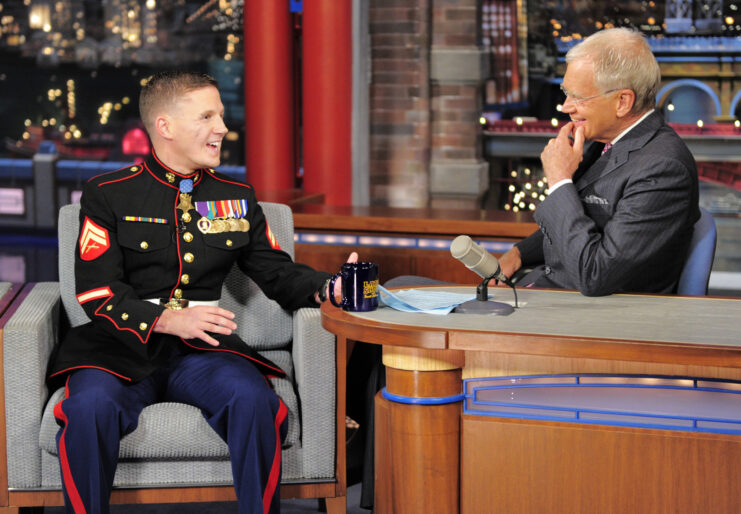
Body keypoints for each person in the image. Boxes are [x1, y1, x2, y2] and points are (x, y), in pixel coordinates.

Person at [47, 70, 356, 514]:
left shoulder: (237, 196)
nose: (222, 129)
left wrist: (329, 288)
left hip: (204, 350)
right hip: (118, 347)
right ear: (165, 126)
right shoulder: (108, 194)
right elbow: (96, 292)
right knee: (88, 408)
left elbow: (276, 273)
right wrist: (169, 319)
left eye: (222, 116)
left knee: (255, 402)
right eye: (207, 116)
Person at [498, 27, 700, 296]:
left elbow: (595, 275)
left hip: (595, 320)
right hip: (547, 292)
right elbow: (587, 221)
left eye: (578, 97)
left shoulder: (663, 169)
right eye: (565, 92)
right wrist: (519, 254)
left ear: (622, 102)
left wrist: (559, 181)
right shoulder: (604, 142)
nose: (565, 106)